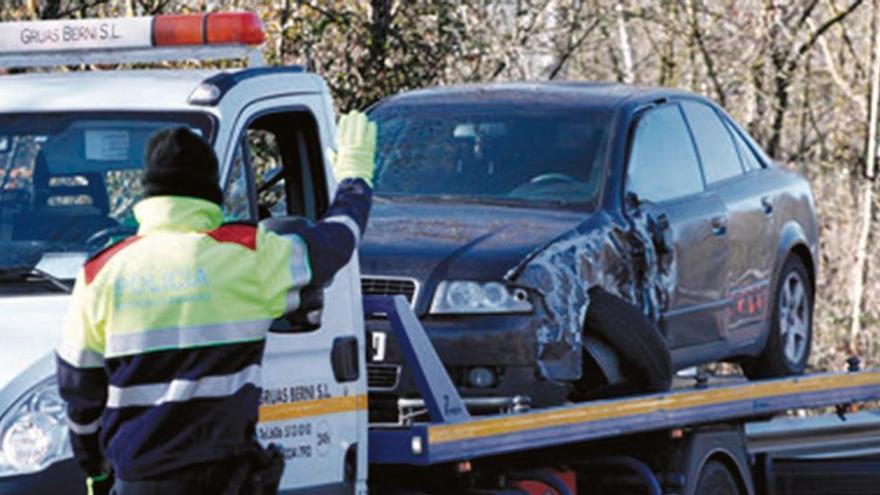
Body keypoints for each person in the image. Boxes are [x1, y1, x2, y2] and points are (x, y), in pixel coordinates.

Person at [55, 111, 377, 495]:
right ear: (210, 191)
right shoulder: (249, 256)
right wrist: (355, 179)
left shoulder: (100, 275)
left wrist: (96, 469)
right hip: (228, 478)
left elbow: (79, 394)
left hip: (141, 481)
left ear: (149, 194)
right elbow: (335, 242)